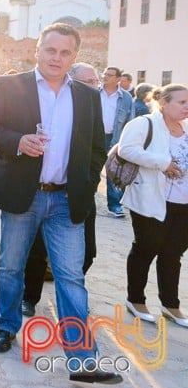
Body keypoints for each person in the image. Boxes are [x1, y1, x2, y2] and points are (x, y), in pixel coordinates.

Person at [0, 23, 120, 385]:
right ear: (38, 50)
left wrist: (85, 185)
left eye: (65, 53)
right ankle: (7, 326)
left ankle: (82, 359)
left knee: (71, 278)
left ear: (74, 57)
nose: (57, 58)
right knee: (11, 267)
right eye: (51, 50)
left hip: (66, 199)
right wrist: (18, 141)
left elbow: (97, 148)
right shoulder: (12, 85)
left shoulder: (87, 97)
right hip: (24, 194)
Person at [21, 63, 100, 318]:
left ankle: (70, 300)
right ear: (72, 82)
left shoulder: (92, 102)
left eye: (95, 80)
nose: (93, 85)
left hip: (77, 192)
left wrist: (88, 183)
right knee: (36, 249)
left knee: (87, 252)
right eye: (87, 81)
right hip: (41, 190)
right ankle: (28, 297)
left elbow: (99, 148)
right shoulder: (54, 102)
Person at [119, 83, 188, 328]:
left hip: (183, 203)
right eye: (182, 102)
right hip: (151, 199)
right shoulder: (143, 124)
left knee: (173, 254)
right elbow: (126, 150)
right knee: (146, 248)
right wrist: (163, 162)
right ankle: (135, 300)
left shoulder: (186, 128)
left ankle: (170, 305)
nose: (187, 107)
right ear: (164, 102)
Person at [101, 66, 135, 218]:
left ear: (118, 79)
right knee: (91, 170)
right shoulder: (94, 93)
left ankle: (114, 206)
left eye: (109, 75)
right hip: (95, 137)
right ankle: (87, 203)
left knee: (114, 173)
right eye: (104, 74)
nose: (105, 77)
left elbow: (130, 121)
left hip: (115, 139)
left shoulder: (126, 98)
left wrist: (128, 141)